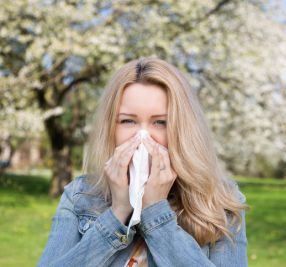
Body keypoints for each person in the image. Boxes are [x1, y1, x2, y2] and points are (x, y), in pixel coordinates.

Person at [37, 57, 248, 267]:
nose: (143, 136)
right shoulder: (80, 195)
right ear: (111, 128)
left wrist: (156, 212)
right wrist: (118, 213)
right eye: (128, 121)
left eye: (160, 122)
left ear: (182, 128)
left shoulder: (220, 200)